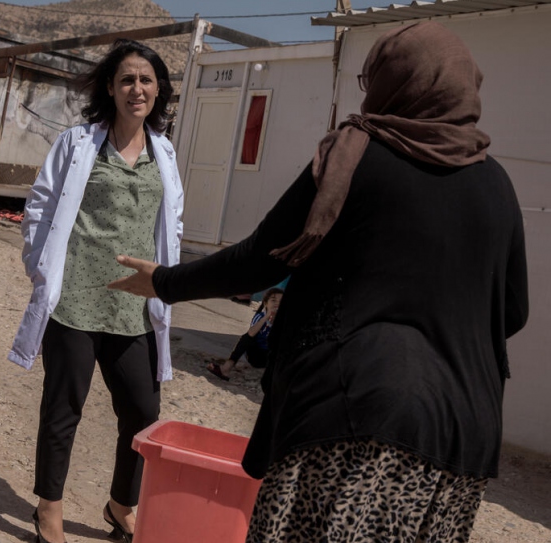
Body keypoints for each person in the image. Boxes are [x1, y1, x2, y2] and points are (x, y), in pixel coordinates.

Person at [109, 22, 528, 542]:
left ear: (396, 81)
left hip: (354, 420)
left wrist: (166, 282)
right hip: (464, 436)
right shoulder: (497, 184)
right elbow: (513, 312)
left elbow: (259, 261)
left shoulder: (355, 157)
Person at [8, 40, 183, 543]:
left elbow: (172, 219)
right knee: (65, 408)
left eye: (146, 80)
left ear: (158, 90)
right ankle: (49, 509)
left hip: (135, 305)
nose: (137, 89)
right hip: (76, 300)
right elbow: (40, 206)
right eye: (127, 79)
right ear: (110, 86)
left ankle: (120, 504)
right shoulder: (79, 143)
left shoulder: (164, 151)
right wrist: (41, 270)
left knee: (142, 413)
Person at [206, 287, 283, 380]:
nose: (277, 304)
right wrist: (267, 316)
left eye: (281, 301)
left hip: (271, 358)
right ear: (266, 303)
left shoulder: (285, 322)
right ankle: (226, 368)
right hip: (256, 355)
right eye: (273, 300)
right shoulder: (260, 317)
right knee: (246, 337)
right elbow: (251, 333)